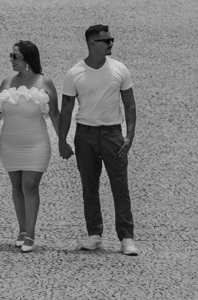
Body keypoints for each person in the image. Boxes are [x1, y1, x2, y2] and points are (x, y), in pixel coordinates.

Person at [58, 24, 138, 255]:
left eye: (111, 39)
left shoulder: (120, 69)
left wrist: (129, 135)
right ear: (93, 43)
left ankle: (127, 237)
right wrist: (63, 141)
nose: (111, 43)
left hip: (113, 134)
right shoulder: (74, 73)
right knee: (89, 186)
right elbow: (66, 109)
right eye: (107, 40)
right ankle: (94, 234)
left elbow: (130, 105)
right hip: (86, 135)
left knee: (120, 186)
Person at [0, 40, 60, 252]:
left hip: (36, 143)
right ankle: (22, 229)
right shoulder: (7, 81)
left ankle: (31, 233)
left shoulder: (45, 82)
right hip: (9, 142)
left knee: (30, 186)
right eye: (10, 56)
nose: (11, 60)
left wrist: (63, 140)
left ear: (27, 59)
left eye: (14, 57)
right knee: (16, 186)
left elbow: (55, 113)